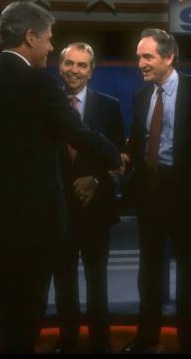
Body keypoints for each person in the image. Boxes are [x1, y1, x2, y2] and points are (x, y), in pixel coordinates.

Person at [0, 1, 122, 353]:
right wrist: (113, 157)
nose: (50, 46)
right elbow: (78, 133)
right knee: (28, 315)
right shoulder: (39, 85)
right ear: (30, 37)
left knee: (3, 314)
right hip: (33, 227)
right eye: (48, 40)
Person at [121, 28, 191, 353]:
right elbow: (139, 142)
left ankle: (188, 343)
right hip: (150, 193)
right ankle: (147, 337)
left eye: (147, 56)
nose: (140, 63)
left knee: (189, 276)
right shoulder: (141, 95)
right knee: (148, 273)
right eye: (139, 56)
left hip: (189, 198)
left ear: (169, 56)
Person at [51, 42, 126, 353]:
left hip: (95, 209)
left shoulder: (109, 106)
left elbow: (119, 157)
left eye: (82, 65)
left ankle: (100, 342)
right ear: (59, 66)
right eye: (70, 63)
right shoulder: (46, 103)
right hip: (57, 210)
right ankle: (67, 342)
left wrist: (95, 179)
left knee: (97, 284)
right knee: (64, 284)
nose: (75, 71)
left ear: (92, 71)